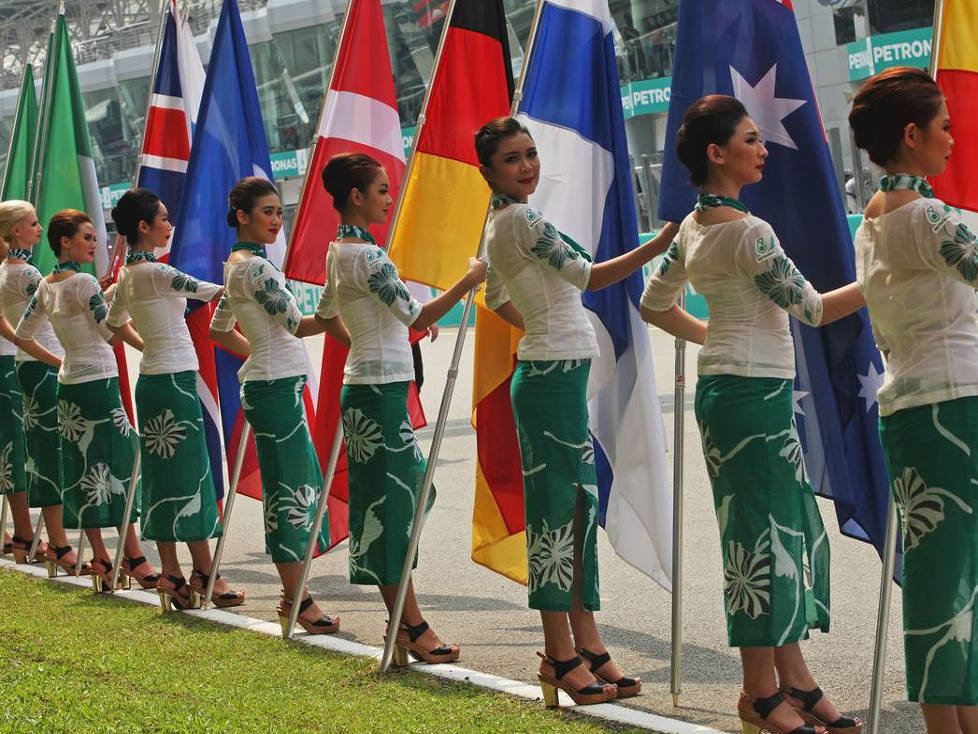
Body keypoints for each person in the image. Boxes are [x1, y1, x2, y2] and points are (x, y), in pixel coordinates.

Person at [640, 95, 864, 734]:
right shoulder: (747, 230)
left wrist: (719, 339)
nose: (762, 148)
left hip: (731, 393)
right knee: (763, 540)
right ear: (717, 153)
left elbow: (656, 306)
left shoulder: (695, 226)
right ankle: (758, 692)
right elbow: (814, 310)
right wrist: (885, 277)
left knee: (771, 533)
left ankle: (791, 679)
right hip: (753, 399)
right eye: (749, 138)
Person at [475, 116, 679, 707]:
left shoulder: (502, 222)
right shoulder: (522, 220)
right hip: (548, 381)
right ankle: (558, 652)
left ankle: (586, 643)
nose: (527, 165)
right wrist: (662, 242)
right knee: (555, 518)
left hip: (556, 375)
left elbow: (496, 297)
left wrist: (542, 329)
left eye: (531, 153)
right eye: (512, 159)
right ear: (489, 171)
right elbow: (590, 276)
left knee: (578, 511)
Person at [315, 152, 485, 664]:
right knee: (395, 506)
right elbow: (418, 311)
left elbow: (328, 316)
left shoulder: (338, 251)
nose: (389, 198)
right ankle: (409, 623)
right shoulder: (367, 257)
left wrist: (374, 341)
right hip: (380, 393)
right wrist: (470, 279)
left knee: (399, 501)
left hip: (369, 388)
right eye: (382, 190)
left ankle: (404, 618)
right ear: (356, 197)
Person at [850, 66, 978, 734]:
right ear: (911, 134)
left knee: (944, 572)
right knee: (953, 575)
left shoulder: (872, 222)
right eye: (944, 127)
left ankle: (955, 720)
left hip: (911, 412)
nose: (953, 140)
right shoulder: (929, 217)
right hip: (955, 408)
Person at [208, 177, 336, 634]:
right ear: (243, 216)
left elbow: (219, 332)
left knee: (290, 490)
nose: (276, 220)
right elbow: (300, 325)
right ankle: (295, 598)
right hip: (276, 391)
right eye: (267, 211)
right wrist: (348, 299)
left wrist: (261, 353)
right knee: (290, 494)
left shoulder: (237, 266)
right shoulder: (256, 270)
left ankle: (295, 595)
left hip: (272, 385)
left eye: (279, 212)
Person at [107, 189, 243, 610]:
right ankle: (206, 572)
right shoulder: (156, 273)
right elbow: (214, 290)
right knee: (192, 475)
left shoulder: (126, 276)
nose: (170, 225)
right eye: (163, 219)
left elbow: (112, 324)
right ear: (143, 227)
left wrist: (147, 346)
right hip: (176, 381)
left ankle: (172, 572)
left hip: (152, 381)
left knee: (163, 478)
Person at [14, 209, 157, 592]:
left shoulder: (47, 285)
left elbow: (24, 335)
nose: (95, 244)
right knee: (119, 467)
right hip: (98, 383)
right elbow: (109, 330)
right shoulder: (84, 282)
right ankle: (134, 557)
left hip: (69, 386)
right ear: (66, 241)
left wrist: (60, 360)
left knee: (84, 471)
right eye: (88, 237)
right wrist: (148, 344)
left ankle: (102, 557)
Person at [0, 201, 84, 576]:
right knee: (50, 452)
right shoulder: (29, 273)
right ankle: (58, 542)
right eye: (33, 224)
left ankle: (38, 537)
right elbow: (61, 304)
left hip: (26, 365)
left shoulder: (5, 270)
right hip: (44, 363)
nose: (38, 230)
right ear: (16, 231)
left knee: (35, 450)